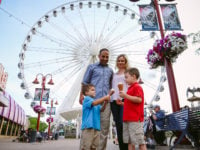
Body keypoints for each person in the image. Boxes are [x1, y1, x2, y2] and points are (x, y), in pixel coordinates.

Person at [79, 48, 113, 150]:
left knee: (104, 129)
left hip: (105, 103)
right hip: (93, 101)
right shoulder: (92, 67)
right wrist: (81, 95)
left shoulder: (110, 70)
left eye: (107, 57)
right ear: (99, 56)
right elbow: (85, 82)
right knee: (88, 127)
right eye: (103, 56)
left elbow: (110, 85)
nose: (105, 58)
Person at [119, 67, 147, 150]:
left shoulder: (137, 87)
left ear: (134, 76)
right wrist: (123, 103)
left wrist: (125, 96)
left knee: (140, 141)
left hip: (135, 119)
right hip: (128, 119)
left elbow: (139, 99)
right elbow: (131, 102)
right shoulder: (130, 88)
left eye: (126, 77)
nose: (125, 79)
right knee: (130, 141)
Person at [80, 84, 112, 150]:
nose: (95, 91)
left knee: (94, 146)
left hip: (96, 127)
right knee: (86, 146)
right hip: (88, 127)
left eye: (95, 90)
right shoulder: (86, 99)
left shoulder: (95, 101)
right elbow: (94, 103)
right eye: (92, 90)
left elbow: (102, 109)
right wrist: (105, 98)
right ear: (86, 92)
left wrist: (105, 102)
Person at [110, 54, 128, 150]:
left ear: (125, 62)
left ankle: (126, 147)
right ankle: (122, 147)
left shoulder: (127, 73)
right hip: (113, 101)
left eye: (122, 61)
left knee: (122, 124)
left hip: (123, 100)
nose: (120, 62)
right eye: (119, 60)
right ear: (117, 62)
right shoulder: (114, 74)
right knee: (118, 125)